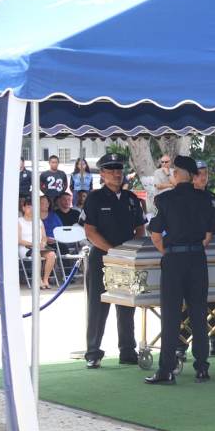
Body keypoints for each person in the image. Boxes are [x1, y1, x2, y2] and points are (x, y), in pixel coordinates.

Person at [145, 156, 215, 385]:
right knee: (199, 313)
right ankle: (202, 368)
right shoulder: (205, 199)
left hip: (174, 260)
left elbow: (155, 234)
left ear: (176, 174)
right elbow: (208, 235)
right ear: (193, 175)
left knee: (171, 315)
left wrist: (167, 252)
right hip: (197, 258)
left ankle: (166, 370)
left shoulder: (165, 199)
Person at [79, 154, 145, 367]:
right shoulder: (95, 198)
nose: (117, 174)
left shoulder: (131, 198)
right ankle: (93, 352)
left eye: (119, 170)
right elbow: (90, 231)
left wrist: (131, 251)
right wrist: (112, 251)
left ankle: (127, 350)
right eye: (112, 170)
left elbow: (140, 228)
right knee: (98, 306)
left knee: (127, 305)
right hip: (102, 258)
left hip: (126, 259)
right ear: (102, 174)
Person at [179, 160, 215, 358]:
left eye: (206, 173)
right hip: (188, 254)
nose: (203, 177)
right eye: (199, 173)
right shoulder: (182, 198)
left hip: (212, 253)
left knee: (214, 299)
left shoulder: (213, 199)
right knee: (187, 302)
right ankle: (181, 344)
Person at [17, 199, 57, 290]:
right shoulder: (19, 221)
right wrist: (34, 244)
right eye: (28, 207)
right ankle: (38, 279)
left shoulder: (38, 221)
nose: (31, 209)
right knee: (36, 254)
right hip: (26, 248)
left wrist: (43, 243)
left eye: (33, 207)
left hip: (39, 247)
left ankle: (45, 279)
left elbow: (44, 237)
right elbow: (19, 240)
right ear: (23, 208)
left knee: (51, 254)